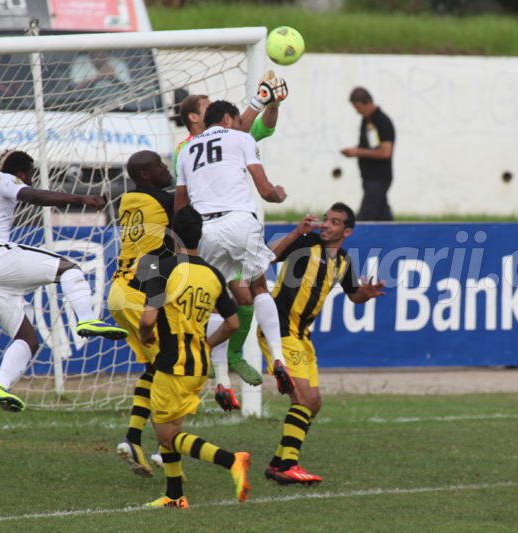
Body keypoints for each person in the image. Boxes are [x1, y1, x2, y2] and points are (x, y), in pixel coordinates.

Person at [0, 150, 127, 412]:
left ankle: (0, 384)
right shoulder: (2, 179)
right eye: (28, 177)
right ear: (22, 175)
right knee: (69, 268)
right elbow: (32, 196)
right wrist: (81, 198)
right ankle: (86, 319)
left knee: (27, 338)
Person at [173, 72, 287, 386]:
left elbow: (180, 206)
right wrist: (277, 192)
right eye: (236, 120)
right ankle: (278, 357)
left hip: (205, 230)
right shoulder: (241, 138)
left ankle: (221, 377)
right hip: (238, 220)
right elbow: (264, 191)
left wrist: (266, 103)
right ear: (228, 119)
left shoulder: (185, 150)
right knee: (259, 286)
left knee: (214, 299)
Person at [262, 203, 386, 485]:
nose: (327, 225)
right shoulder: (306, 243)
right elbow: (266, 259)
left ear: (347, 231)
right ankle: (289, 465)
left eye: (335, 222)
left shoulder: (343, 260)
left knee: (313, 403)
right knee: (303, 400)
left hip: (302, 335)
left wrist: (365, 293)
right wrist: (296, 232)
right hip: (279, 330)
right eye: (327, 219)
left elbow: (354, 294)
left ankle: (277, 464)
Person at [139, 206, 250, 509]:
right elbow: (233, 323)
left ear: (171, 233)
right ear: (200, 235)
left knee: (165, 435)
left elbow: (148, 320)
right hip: (198, 364)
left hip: (173, 363)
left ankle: (232, 460)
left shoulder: (163, 267)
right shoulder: (213, 273)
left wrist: (144, 337)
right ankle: (175, 495)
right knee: (172, 429)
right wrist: (208, 344)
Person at [340, 87, 395, 221]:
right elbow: (370, 146)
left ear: (369, 102)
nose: (358, 112)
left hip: (378, 177)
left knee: (365, 216)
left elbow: (385, 152)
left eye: (359, 107)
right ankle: (395, 239)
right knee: (383, 217)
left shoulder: (382, 121)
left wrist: (357, 152)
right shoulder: (367, 120)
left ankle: (353, 241)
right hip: (369, 177)